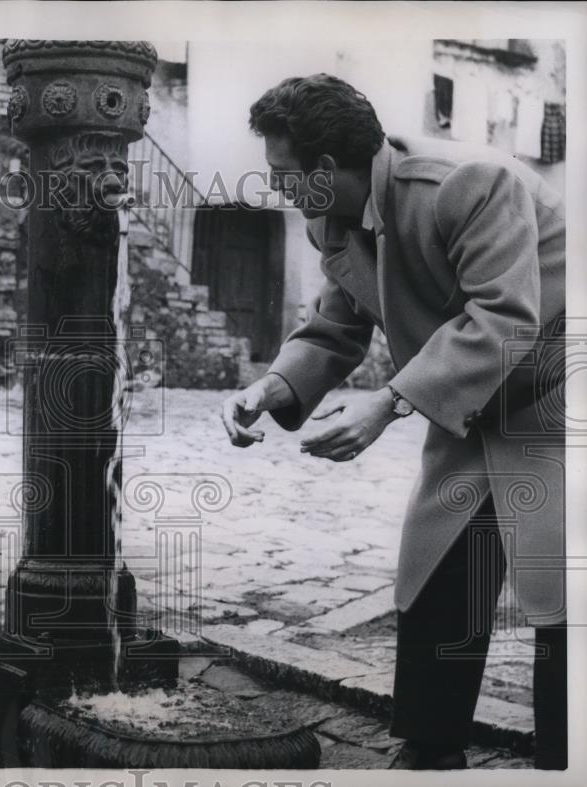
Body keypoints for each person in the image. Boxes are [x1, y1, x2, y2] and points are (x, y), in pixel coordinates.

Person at [221, 74, 566, 770]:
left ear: (323, 169)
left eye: (282, 174)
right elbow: (334, 328)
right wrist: (272, 386)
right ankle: (430, 748)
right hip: (468, 396)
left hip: (555, 394)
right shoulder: (332, 218)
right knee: (438, 566)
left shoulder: (468, 184)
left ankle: (567, 758)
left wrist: (391, 400)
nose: (276, 188)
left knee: (560, 588)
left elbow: (503, 319)